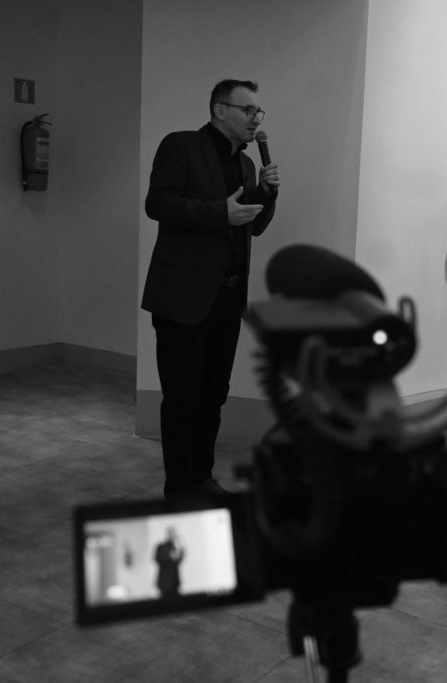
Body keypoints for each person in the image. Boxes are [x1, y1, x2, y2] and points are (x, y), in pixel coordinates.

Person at [142, 79, 280, 500]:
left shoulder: (246, 165)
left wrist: (267, 194)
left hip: (227, 300)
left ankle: (201, 479)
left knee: (213, 397)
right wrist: (219, 213)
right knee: (182, 401)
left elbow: (253, 224)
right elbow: (158, 204)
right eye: (248, 109)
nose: (256, 118)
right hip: (183, 299)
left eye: (258, 111)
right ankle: (179, 491)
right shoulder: (181, 146)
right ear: (220, 110)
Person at [154, 527, 185, 598]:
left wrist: (180, 546)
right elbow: (158, 559)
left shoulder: (175, 547)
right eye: (173, 534)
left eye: (175, 534)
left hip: (175, 583)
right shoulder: (161, 546)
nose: (174, 536)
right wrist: (170, 555)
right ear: (168, 534)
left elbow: (179, 560)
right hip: (164, 583)